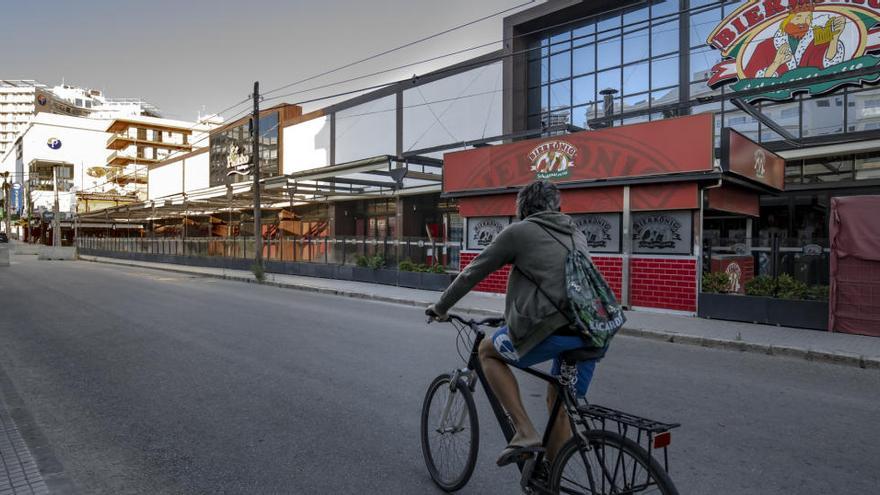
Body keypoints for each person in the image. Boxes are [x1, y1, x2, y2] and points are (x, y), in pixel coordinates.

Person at [426, 180, 601, 467]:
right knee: (558, 406)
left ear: (523, 209)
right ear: (557, 207)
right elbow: (555, 283)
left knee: (486, 351)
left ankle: (525, 432)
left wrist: (440, 307)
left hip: (553, 329)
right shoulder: (575, 232)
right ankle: (551, 480)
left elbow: (473, 271)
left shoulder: (520, 232)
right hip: (590, 332)